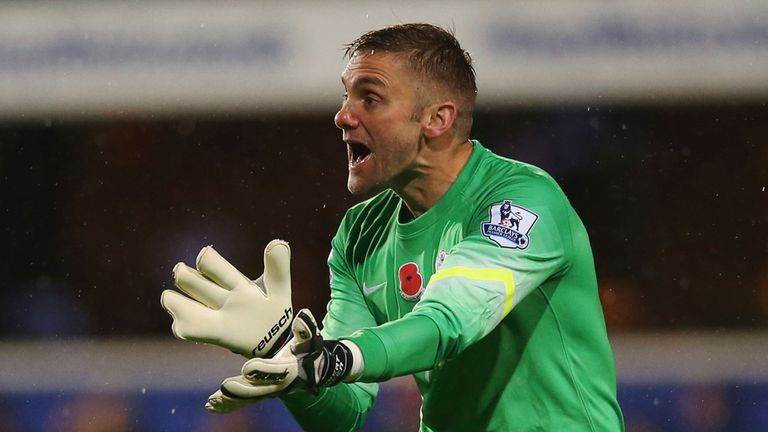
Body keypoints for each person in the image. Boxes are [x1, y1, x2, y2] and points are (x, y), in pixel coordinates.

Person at [167, 23, 624, 431]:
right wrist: (282, 350)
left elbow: (445, 324)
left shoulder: (521, 201)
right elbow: (344, 413)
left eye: (369, 98)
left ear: (436, 120)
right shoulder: (360, 233)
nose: (343, 116)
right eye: (345, 96)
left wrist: (336, 357)